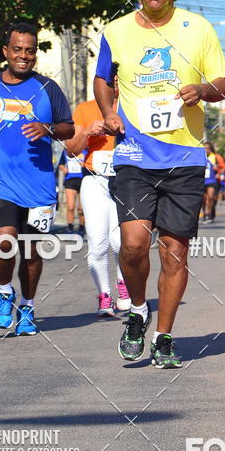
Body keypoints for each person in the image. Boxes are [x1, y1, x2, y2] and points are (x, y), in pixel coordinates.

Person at [94, 0, 225, 368]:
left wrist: (201, 91)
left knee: (175, 251)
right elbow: (103, 79)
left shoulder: (198, 29)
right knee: (133, 243)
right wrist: (107, 112)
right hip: (135, 154)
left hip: (185, 157)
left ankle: (165, 336)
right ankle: (138, 309)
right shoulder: (115, 32)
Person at [0, 22, 74, 336]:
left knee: (31, 251)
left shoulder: (47, 88)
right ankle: (3, 292)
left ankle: (27, 305)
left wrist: (48, 128)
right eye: (17, 49)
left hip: (39, 185)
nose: (23, 56)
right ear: (6, 52)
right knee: (5, 240)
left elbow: (70, 128)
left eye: (29, 50)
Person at [64, 84, 131, 316]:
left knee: (121, 242)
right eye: (107, 79)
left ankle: (124, 286)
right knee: (97, 243)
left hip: (126, 180)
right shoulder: (85, 109)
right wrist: (86, 132)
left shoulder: (131, 106)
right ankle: (104, 295)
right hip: (94, 180)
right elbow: (71, 149)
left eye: (116, 77)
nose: (113, 83)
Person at [57, 149, 85, 234]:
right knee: (71, 207)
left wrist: (85, 165)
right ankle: (70, 228)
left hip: (82, 180)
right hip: (70, 180)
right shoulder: (66, 151)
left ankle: (81, 228)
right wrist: (63, 168)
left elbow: (91, 164)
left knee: (81, 209)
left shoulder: (85, 151)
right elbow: (60, 164)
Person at [202, 141, 218, 223]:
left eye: (208, 149)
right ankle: (204, 213)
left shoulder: (214, 157)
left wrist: (218, 172)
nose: (206, 150)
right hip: (202, 181)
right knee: (203, 199)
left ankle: (208, 213)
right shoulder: (199, 157)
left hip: (211, 180)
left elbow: (221, 168)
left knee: (210, 197)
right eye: (205, 149)